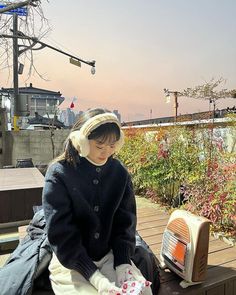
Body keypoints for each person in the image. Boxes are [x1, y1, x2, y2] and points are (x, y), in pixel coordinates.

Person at [42, 108, 154, 295]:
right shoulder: (59, 174)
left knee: (142, 292)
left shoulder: (119, 173)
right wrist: (96, 279)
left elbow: (125, 223)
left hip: (109, 255)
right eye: (100, 145)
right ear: (80, 142)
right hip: (71, 262)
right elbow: (61, 234)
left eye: (112, 145)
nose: (106, 152)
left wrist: (123, 264)